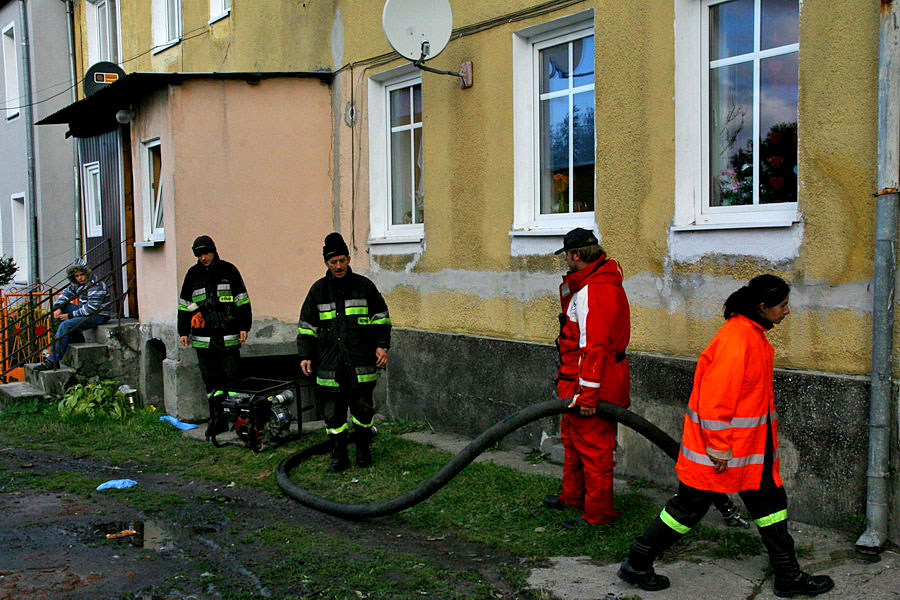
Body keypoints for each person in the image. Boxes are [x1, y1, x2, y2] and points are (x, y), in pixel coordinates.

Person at [617, 274, 834, 598]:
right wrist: (719, 449)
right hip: (721, 453)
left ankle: (788, 576)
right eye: (783, 305)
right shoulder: (738, 340)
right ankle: (638, 560)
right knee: (687, 510)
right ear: (763, 307)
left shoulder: (750, 334)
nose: (787, 312)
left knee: (772, 505)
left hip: (749, 452)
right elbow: (715, 403)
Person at [542, 228, 631, 529]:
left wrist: (590, 394)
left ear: (576, 255)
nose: (565, 261)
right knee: (572, 439)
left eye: (566, 255)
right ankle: (573, 496)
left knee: (594, 449)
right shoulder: (587, 285)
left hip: (593, 382)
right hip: (576, 379)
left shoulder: (596, 289)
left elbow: (595, 346)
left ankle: (597, 514)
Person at [297, 232, 391, 472]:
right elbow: (307, 327)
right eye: (333, 262)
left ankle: (363, 450)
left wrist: (382, 345)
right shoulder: (317, 291)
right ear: (326, 263)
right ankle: (339, 455)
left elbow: (380, 318)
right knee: (333, 415)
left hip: (360, 362)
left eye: (342, 260)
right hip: (329, 366)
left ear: (349, 258)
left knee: (363, 410)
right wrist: (305, 355)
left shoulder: (364, 286)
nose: (338, 266)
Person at [178, 235, 251, 406]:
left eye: (206, 254)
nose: (203, 258)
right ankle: (216, 416)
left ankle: (235, 416)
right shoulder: (192, 274)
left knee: (233, 379)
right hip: (203, 339)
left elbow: (242, 300)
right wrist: (183, 330)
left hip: (228, 334)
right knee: (211, 382)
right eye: (199, 255)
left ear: (213, 251)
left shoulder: (229, 270)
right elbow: (184, 304)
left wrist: (244, 326)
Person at [35, 262, 111, 371]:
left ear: (87, 273)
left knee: (66, 324)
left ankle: (52, 361)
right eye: (77, 276)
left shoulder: (96, 285)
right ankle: (76, 336)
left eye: (82, 275)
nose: (80, 278)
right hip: (86, 311)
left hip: (98, 315)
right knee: (63, 308)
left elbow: (91, 309)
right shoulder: (78, 284)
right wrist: (58, 307)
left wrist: (70, 315)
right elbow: (66, 294)